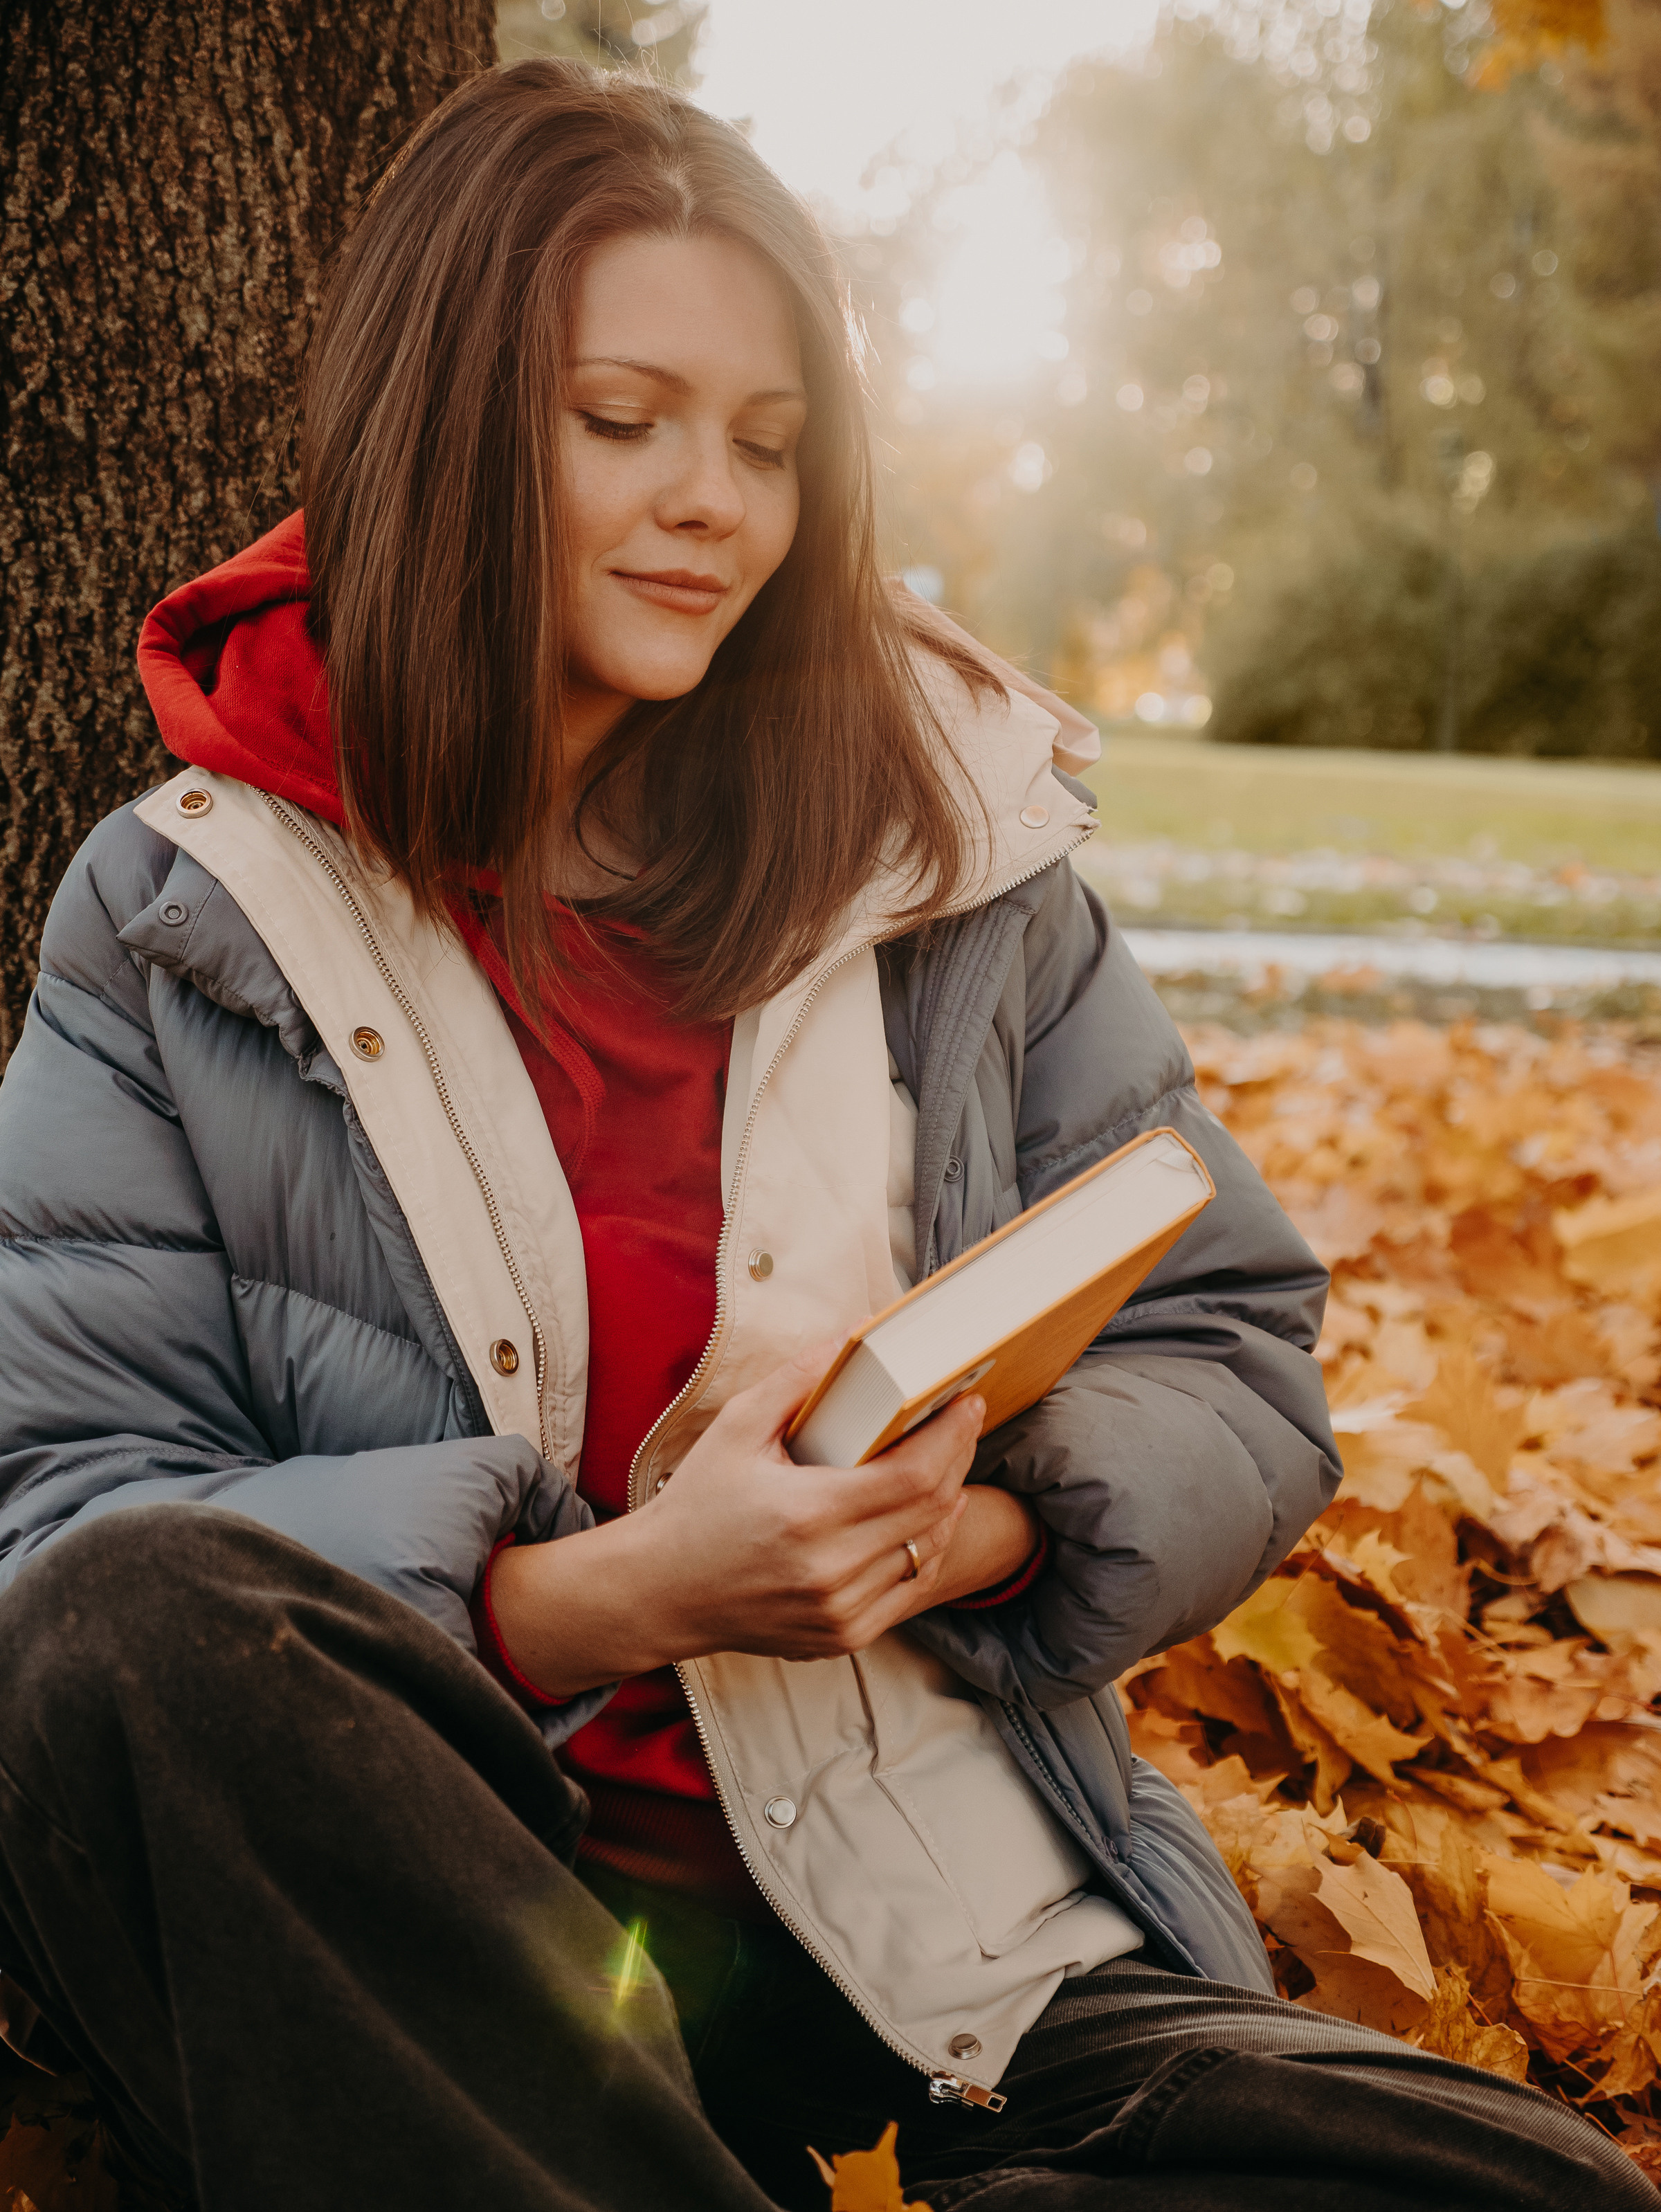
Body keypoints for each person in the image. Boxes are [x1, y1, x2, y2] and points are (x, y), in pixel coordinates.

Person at [0, 56, 1648, 2212]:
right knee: (141, 1617)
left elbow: (1236, 1351)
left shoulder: (946, 851)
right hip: (464, 1956)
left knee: (1538, 2197)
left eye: (770, 446)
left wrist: (961, 1533)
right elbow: (67, 1551)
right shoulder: (188, 912)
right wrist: (592, 1599)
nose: (715, 501)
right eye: (625, 423)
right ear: (443, 425)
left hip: (941, 1949)